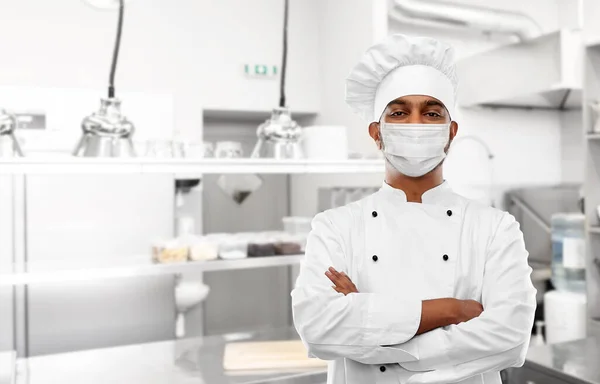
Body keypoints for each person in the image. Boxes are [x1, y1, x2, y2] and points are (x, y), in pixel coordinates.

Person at [291, 34, 537, 384]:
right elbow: (317, 328)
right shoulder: (335, 227)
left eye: (432, 113)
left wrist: (372, 331)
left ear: (451, 133)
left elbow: (510, 338)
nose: (416, 124)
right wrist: (451, 310)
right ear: (377, 133)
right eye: (400, 112)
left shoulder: (496, 228)